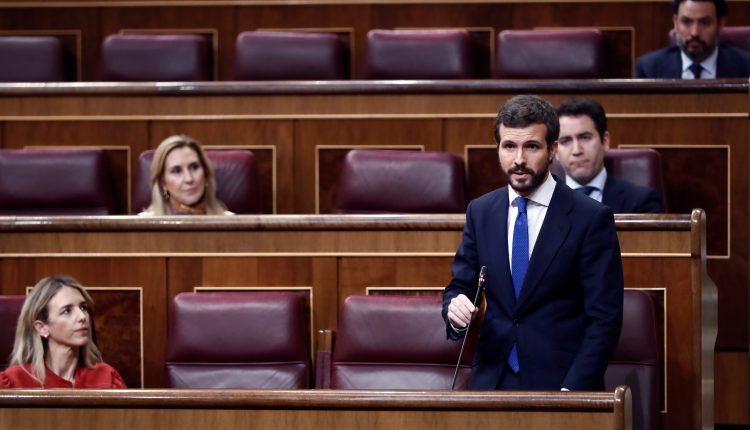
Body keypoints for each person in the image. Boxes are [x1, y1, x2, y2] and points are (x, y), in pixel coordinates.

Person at [442, 95, 623, 391]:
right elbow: (460, 287)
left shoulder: (591, 218)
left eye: (532, 147)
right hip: (493, 381)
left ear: (552, 150)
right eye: (509, 146)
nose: (519, 160)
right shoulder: (481, 211)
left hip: (562, 385)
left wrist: (571, 393)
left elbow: (605, 320)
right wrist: (455, 310)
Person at [0, 275, 126, 388]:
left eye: (83, 307)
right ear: (42, 328)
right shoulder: (14, 382)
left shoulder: (107, 378)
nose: (82, 316)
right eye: (67, 311)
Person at [556, 97, 663, 213]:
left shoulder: (641, 202)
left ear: (605, 141)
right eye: (565, 141)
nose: (576, 150)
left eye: (585, 138)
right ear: (554, 150)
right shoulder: (540, 203)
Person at [635, 0, 750, 78]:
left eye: (705, 23)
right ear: (675, 22)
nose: (695, 33)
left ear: (720, 24)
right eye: (686, 22)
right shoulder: (649, 69)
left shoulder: (746, 67)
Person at [140, 135, 233, 215]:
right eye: (176, 171)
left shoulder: (233, 224)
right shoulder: (140, 226)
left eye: (194, 167)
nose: (189, 179)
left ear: (206, 173)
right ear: (162, 182)